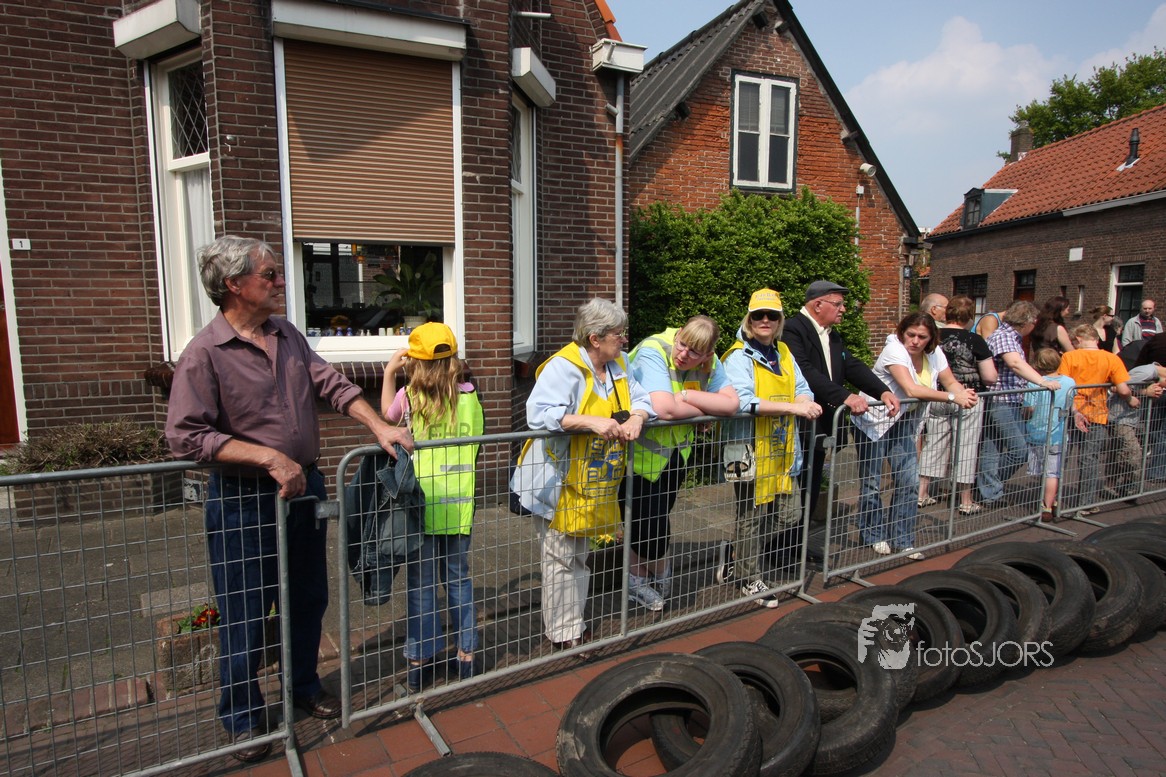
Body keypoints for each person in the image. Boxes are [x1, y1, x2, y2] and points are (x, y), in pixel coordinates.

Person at [165, 236, 414, 763]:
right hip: (244, 500)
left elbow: (333, 385)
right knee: (246, 611)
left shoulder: (287, 334)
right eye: (270, 275)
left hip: (305, 493)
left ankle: (302, 686)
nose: (281, 282)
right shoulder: (204, 354)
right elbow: (186, 437)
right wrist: (268, 457)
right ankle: (242, 717)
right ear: (234, 285)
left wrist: (379, 427)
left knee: (308, 597)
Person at [511, 299, 654, 652]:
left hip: (592, 481)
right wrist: (591, 421)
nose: (624, 339)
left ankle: (572, 622)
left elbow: (642, 399)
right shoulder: (562, 368)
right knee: (560, 557)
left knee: (578, 555)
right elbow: (538, 415)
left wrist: (638, 418)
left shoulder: (619, 364)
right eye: (618, 334)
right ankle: (565, 632)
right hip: (558, 481)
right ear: (595, 338)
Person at [381, 323, 484, 691]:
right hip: (458, 508)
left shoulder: (409, 397)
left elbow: (387, 417)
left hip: (420, 509)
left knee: (421, 585)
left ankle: (419, 661)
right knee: (458, 579)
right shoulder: (470, 397)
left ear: (415, 362)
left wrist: (389, 372)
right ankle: (467, 656)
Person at [625, 316, 739, 609]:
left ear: (707, 354)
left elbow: (731, 405)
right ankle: (656, 572)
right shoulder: (654, 349)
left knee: (652, 520)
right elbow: (664, 408)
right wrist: (703, 410)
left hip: (674, 455)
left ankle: (638, 580)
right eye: (682, 344)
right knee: (649, 528)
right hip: (637, 456)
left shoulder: (712, 361)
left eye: (694, 352)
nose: (683, 354)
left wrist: (687, 396)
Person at [722, 288, 821, 606]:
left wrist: (804, 400)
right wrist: (793, 408)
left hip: (782, 447)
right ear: (749, 319)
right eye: (758, 315)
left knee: (790, 514)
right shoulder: (738, 357)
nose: (765, 320)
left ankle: (737, 555)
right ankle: (748, 578)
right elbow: (742, 400)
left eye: (772, 315)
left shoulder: (784, 353)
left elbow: (803, 387)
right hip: (748, 450)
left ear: (779, 321)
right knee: (750, 517)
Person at [852, 313, 976, 559]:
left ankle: (902, 539)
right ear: (902, 333)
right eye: (911, 335)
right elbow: (911, 389)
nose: (915, 341)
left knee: (909, 481)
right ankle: (873, 534)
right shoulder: (894, 350)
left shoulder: (935, 353)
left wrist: (964, 394)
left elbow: (949, 381)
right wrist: (953, 397)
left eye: (922, 337)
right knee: (872, 482)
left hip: (904, 420)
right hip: (874, 421)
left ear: (931, 338)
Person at [781, 280, 899, 524]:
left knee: (811, 488)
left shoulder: (832, 336)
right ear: (817, 305)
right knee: (793, 493)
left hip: (819, 425)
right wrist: (845, 396)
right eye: (838, 304)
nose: (843, 309)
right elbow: (804, 371)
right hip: (797, 426)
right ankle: (783, 544)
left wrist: (882, 391)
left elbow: (851, 365)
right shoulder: (793, 330)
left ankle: (799, 542)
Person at [918, 296, 998, 515]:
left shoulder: (933, 337)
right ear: (970, 316)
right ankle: (965, 500)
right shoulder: (975, 340)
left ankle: (921, 493)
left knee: (933, 444)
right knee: (966, 446)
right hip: (968, 397)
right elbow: (990, 377)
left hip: (938, 396)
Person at [976, 300, 1059, 507]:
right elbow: (1014, 363)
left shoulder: (1008, 336)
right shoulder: (1005, 336)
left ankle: (988, 492)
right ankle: (987, 486)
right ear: (1028, 322)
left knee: (992, 449)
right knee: (1019, 450)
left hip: (1004, 400)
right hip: (1002, 401)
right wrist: (1042, 381)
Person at [1059, 324, 1135, 517]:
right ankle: (1086, 503)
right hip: (1096, 412)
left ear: (1078, 339)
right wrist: (1131, 399)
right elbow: (1123, 389)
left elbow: (1063, 384)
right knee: (1089, 458)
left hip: (1071, 410)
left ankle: (1052, 500)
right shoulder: (1111, 358)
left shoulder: (1069, 357)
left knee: (1062, 455)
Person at [1021, 348, 1079, 523]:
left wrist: (1024, 414)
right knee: (1054, 471)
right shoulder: (1069, 382)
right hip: (1059, 432)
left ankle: (1046, 505)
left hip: (1038, 432)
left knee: (1045, 471)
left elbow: (1029, 409)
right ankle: (1051, 501)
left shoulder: (1034, 383)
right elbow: (1071, 403)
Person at [1104, 360, 1165, 500]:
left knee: (1119, 453)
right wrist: (1145, 391)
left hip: (1130, 419)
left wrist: (1153, 393)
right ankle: (1131, 488)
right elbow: (1115, 387)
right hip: (1119, 418)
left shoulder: (1153, 375)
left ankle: (1113, 485)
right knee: (1133, 453)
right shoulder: (1145, 372)